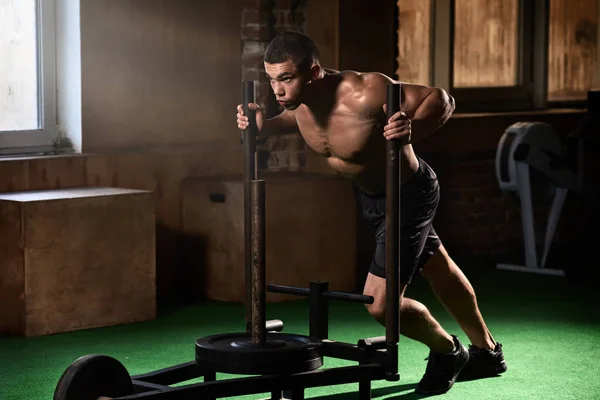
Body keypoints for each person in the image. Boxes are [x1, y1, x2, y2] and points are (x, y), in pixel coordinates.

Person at [236, 31, 507, 395]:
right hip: (371, 197)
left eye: (286, 78)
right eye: (272, 79)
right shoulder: (299, 103)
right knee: (438, 267)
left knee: (380, 304)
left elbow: (440, 99)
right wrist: (261, 127)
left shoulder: (366, 91)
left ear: (314, 72)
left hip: (407, 194)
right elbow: (294, 121)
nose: (278, 90)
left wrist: (414, 129)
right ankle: (488, 353)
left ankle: (449, 351)